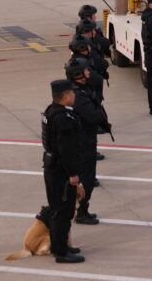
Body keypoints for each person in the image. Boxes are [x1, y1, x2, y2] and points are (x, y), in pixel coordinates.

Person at [41, 79, 84, 263]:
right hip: (61, 171)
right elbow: (66, 150)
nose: (74, 95)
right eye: (72, 93)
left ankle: (59, 245)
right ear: (65, 96)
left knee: (56, 210)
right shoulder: (63, 119)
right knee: (63, 212)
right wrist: (73, 174)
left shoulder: (51, 111)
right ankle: (61, 252)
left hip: (51, 167)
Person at [66, 60, 110, 225]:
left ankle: (82, 210)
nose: (89, 72)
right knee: (87, 180)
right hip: (84, 143)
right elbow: (94, 116)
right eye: (86, 70)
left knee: (86, 179)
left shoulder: (79, 90)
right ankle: (81, 212)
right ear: (78, 74)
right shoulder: (80, 95)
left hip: (84, 140)